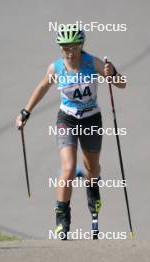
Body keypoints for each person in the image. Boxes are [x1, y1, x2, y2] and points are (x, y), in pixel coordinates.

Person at [15, 24, 126, 240]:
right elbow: (42, 87)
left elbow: (122, 85)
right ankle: (62, 218)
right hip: (67, 119)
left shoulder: (92, 62)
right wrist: (25, 112)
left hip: (91, 118)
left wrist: (113, 73)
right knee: (67, 168)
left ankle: (92, 187)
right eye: (65, 47)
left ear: (81, 45)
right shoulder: (55, 68)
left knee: (91, 168)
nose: (70, 52)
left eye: (73, 47)